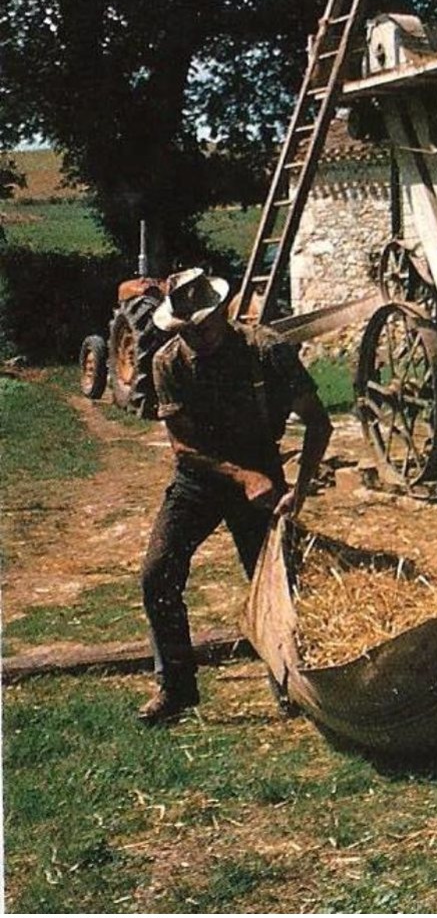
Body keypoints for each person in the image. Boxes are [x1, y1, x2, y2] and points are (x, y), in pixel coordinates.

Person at [137, 268, 332, 724]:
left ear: (224, 313)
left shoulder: (268, 351)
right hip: (199, 479)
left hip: (263, 471)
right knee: (158, 574)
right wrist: (240, 476)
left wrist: (297, 494)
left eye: (203, 325)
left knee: (278, 586)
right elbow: (183, 447)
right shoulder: (168, 362)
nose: (196, 337)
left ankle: (290, 682)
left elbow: (319, 423)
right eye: (186, 329)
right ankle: (176, 688)